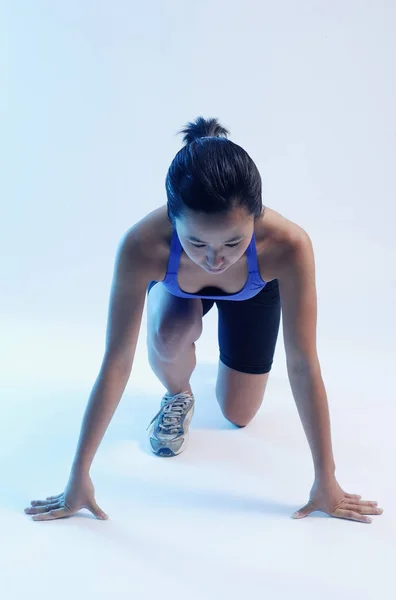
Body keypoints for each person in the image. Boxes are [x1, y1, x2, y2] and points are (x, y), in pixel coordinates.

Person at [24, 116, 383, 524]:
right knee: (170, 332)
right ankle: (179, 393)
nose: (215, 259)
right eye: (195, 242)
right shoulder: (142, 244)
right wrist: (78, 475)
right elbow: (117, 361)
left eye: (234, 241)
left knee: (239, 414)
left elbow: (302, 361)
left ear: (256, 216)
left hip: (253, 292)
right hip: (179, 291)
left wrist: (326, 480)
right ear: (172, 218)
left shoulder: (289, 245)